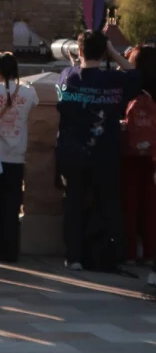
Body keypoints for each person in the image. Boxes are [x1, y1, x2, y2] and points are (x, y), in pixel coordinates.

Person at [55, 28, 140, 273]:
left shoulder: (67, 76)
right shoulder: (115, 79)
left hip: (71, 152)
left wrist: (77, 63)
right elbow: (136, 76)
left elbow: (67, 84)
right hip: (105, 152)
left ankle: (74, 257)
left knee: (73, 204)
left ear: (80, 51)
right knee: (107, 204)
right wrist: (113, 53)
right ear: (104, 53)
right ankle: (108, 254)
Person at [0, 52, 39, 263]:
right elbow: (36, 101)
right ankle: (10, 251)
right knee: (12, 206)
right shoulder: (28, 92)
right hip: (17, 156)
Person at [121, 46, 156, 298]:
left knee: (130, 203)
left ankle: (130, 251)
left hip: (131, 153)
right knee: (151, 204)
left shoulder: (131, 85)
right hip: (153, 153)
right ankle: (150, 252)